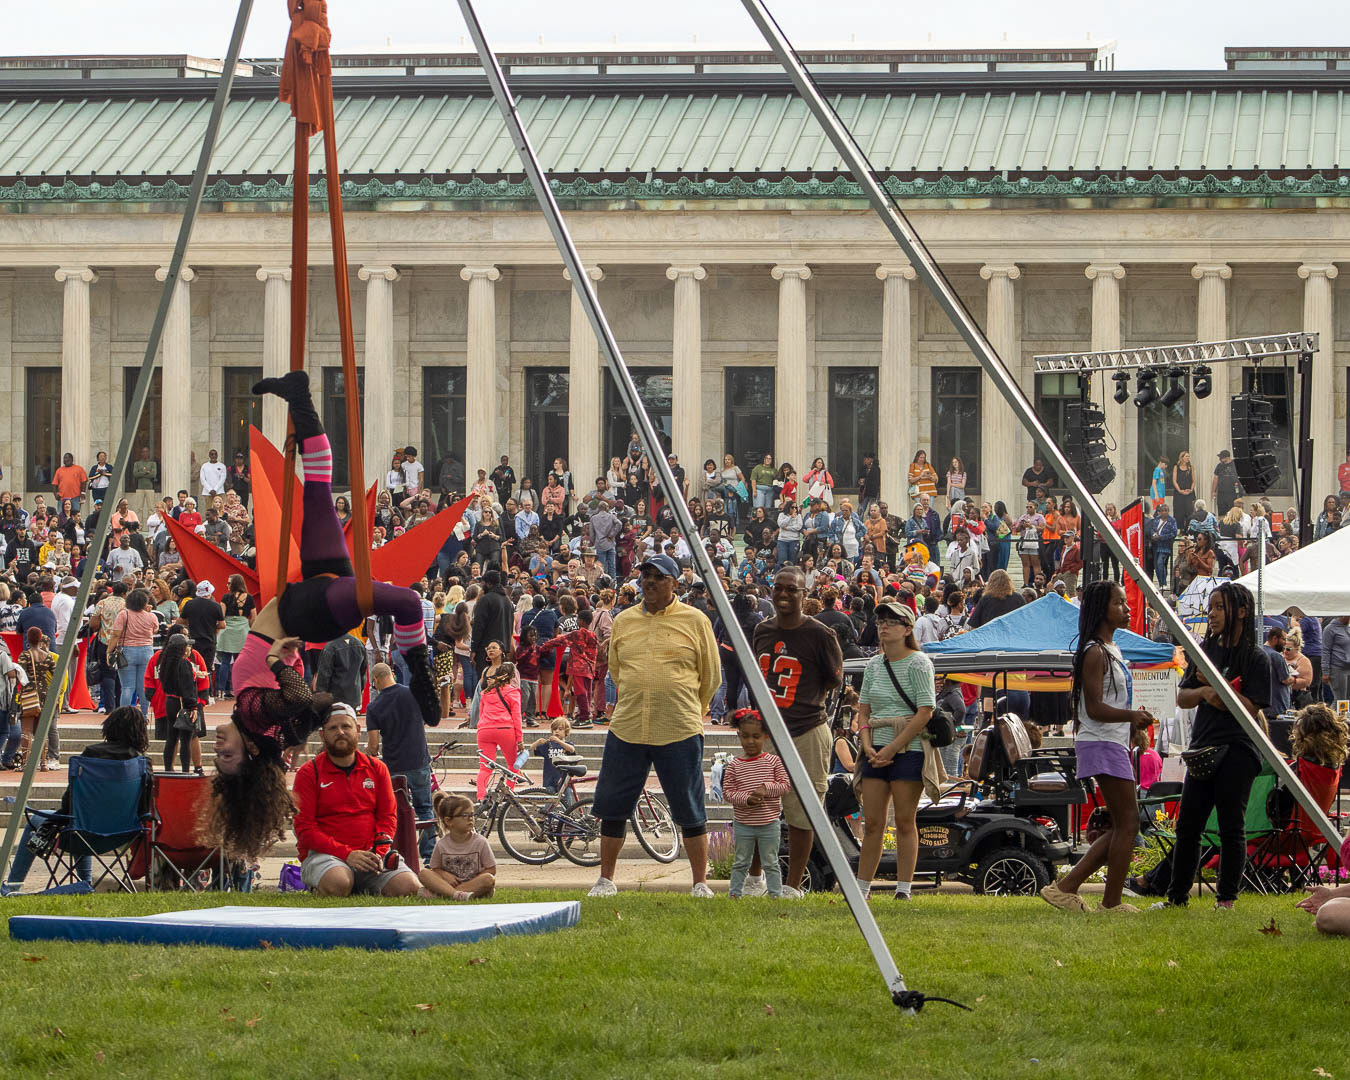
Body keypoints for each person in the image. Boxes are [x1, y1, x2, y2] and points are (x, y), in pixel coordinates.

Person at [587, 553, 720, 899]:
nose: (649, 582)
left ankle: (700, 883)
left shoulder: (696, 621)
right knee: (613, 804)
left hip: (678, 726)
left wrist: (691, 707)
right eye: (645, 575)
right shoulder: (624, 620)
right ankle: (605, 880)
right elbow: (616, 668)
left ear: (674, 583)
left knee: (689, 806)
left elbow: (711, 676)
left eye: (658, 577)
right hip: (628, 725)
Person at [1041, 582, 1155, 914]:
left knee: (1124, 824)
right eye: (1119, 603)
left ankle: (1066, 887)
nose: (1127, 608)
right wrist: (1131, 716)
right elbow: (1094, 708)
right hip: (1102, 742)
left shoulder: (1109, 648)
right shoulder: (1094, 651)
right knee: (1129, 823)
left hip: (1111, 741)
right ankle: (1110, 901)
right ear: (1101, 609)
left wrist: (1129, 721)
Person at [1155, 582, 1270, 911]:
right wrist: (1207, 693)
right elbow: (1183, 696)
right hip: (1202, 748)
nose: (1213, 613)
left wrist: (1217, 691)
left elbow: (1250, 708)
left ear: (1242, 611)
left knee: (1231, 825)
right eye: (1211, 606)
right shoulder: (1205, 650)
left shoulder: (1255, 658)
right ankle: (1176, 898)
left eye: (1220, 607)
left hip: (1238, 749)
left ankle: (1226, 899)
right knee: (1188, 825)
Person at [746, 564, 843, 896]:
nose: (784, 594)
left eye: (792, 589)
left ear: (805, 594)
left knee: (803, 811)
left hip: (807, 730)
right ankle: (755, 879)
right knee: (757, 807)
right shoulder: (762, 630)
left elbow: (834, 678)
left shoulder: (820, 634)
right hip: (768, 732)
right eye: (778, 587)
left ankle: (792, 885)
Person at [2, 706, 151, 895]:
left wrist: (60, 816)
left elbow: (70, 803)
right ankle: (85, 880)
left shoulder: (91, 754)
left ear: (110, 727)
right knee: (81, 818)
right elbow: (145, 806)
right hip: (125, 835)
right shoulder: (142, 763)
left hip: (82, 830)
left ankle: (14, 884)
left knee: (65, 819)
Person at [291, 703, 419, 897]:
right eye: (333, 728)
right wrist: (347, 854)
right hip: (327, 856)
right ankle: (335, 885)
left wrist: (379, 851)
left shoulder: (377, 768)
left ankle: (359, 884)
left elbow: (387, 817)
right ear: (322, 735)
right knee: (338, 883)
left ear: (358, 731)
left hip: (370, 854)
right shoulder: (309, 773)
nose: (340, 732)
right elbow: (305, 829)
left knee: (409, 887)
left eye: (346, 726)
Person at [855, 598, 935, 900]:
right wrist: (867, 745)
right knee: (873, 821)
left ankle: (904, 888)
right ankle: (862, 887)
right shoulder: (874, 664)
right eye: (880, 622)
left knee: (904, 819)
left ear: (907, 629)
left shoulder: (918, 662)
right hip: (875, 746)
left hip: (909, 748)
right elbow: (863, 711)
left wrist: (891, 748)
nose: (883, 627)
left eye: (891, 622)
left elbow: (925, 712)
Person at [365, 661, 438, 865]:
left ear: (376, 680)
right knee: (425, 808)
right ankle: (429, 855)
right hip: (418, 760)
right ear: (392, 675)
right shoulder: (412, 694)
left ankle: (399, 852)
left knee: (395, 811)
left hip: (393, 766)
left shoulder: (374, 707)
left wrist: (367, 755)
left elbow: (373, 745)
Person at [722, 708, 791, 899]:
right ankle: (735, 894)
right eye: (745, 737)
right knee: (740, 861)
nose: (750, 741)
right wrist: (746, 799)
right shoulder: (735, 765)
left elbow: (785, 786)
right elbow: (728, 793)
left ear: (766, 736)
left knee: (771, 862)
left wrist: (765, 788)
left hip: (769, 823)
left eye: (756, 736)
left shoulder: (774, 762)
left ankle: (776, 894)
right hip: (743, 824)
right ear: (739, 736)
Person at [419, 792, 496, 900]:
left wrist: (474, 882)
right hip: (449, 884)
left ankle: (448, 894)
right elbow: (435, 868)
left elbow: (491, 869)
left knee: (488, 879)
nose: (470, 819)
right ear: (448, 821)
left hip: (472, 885)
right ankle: (458, 895)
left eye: (472, 815)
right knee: (424, 874)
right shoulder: (441, 844)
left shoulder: (481, 842)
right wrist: (445, 875)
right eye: (465, 815)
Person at [474, 658, 523, 799]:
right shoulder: (513, 692)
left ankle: (480, 798)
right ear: (512, 676)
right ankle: (506, 796)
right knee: (513, 766)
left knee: (485, 768)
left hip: (484, 730)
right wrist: (520, 739)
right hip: (505, 729)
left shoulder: (486, 692)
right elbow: (517, 717)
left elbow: (481, 713)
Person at [108, 587, 157, 715]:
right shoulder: (151, 616)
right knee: (143, 686)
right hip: (147, 651)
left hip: (127, 651)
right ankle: (145, 714)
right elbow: (155, 630)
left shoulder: (124, 614)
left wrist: (109, 651)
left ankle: (123, 715)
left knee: (127, 687)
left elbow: (116, 634)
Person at [180, 581, 225, 700]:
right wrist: (212, 626)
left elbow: (181, 621)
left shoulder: (189, 604)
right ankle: (207, 693)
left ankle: (193, 691)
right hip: (209, 640)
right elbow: (222, 624)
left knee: (193, 665)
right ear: (209, 592)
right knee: (207, 667)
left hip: (193, 640)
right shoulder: (215, 606)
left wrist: (191, 624)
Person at [315, 632, 368, 714]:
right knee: (351, 723)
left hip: (336, 698)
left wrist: (321, 697)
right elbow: (363, 672)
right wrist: (359, 690)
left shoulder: (330, 647)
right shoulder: (359, 643)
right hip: (354, 695)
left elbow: (323, 676)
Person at [1211, 450, 1240, 516]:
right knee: (1222, 512)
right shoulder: (1219, 466)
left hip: (1233, 492)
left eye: (1221, 458)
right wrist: (1213, 491)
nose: (1220, 459)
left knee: (1233, 512)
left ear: (1226, 458)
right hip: (1221, 493)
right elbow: (1215, 478)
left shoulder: (1235, 464)